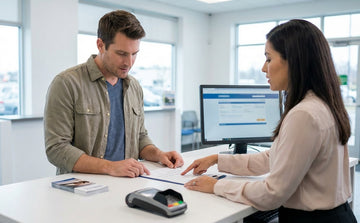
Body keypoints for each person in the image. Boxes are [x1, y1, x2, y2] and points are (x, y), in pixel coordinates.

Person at [181, 19, 357, 223]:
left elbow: (272, 194)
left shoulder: (304, 114)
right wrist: (217, 159)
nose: (264, 68)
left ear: (293, 61)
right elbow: (272, 158)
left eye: (269, 59)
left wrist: (216, 186)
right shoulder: (322, 104)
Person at [44, 10, 183, 178]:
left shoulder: (134, 87)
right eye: (122, 53)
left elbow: (139, 137)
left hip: (127, 183)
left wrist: (158, 154)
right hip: (82, 188)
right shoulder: (67, 83)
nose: (129, 62)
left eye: (134, 54)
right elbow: (56, 149)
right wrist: (110, 167)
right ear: (100, 45)